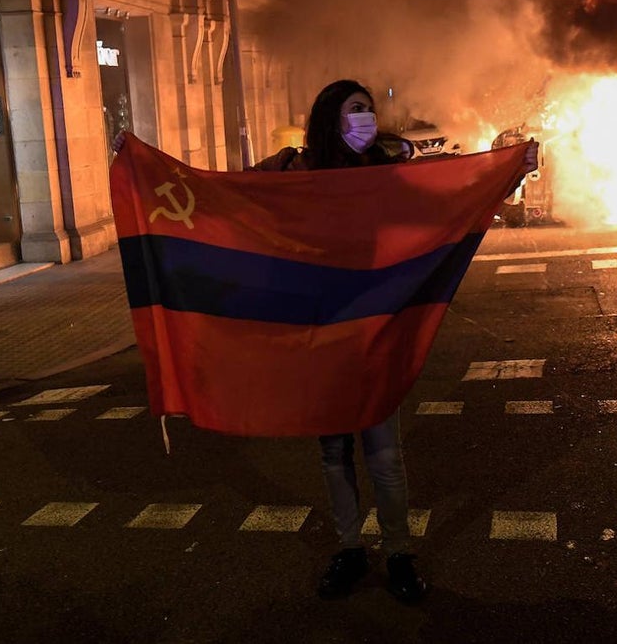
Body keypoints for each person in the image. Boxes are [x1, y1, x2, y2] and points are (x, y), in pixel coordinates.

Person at [114, 79, 539, 604]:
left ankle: (400, 552)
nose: (364, 118)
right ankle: (350, 547)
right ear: (329, 117)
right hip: (316, 325)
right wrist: (140, 165)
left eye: (368, 109)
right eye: (354, 110)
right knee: (333, 452)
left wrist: (509, 168)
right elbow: (224, 194)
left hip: (374, 323)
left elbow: (446, 194)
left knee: (384, 453)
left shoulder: (389, 169)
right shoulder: (292, 169)